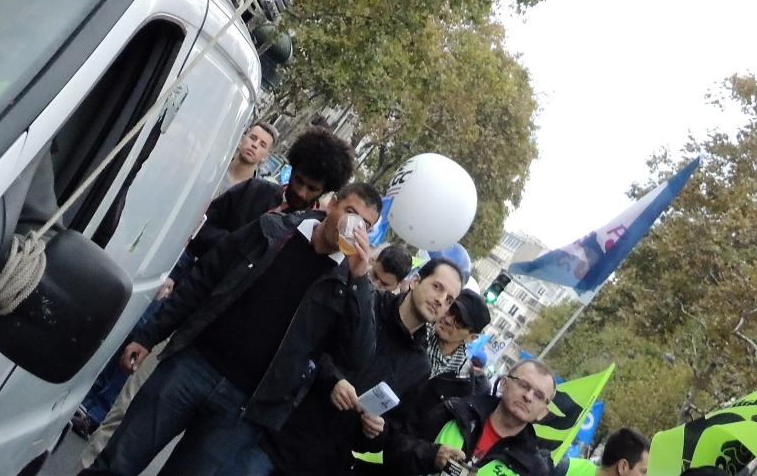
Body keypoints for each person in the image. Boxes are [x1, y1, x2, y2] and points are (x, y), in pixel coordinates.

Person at [87, 190, 379, 476]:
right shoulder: (275, 230)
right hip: (194, 365)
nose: (354, 227)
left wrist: (359, 280)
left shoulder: (348, 285)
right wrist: (149, 335)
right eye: (351, 213)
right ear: (333, 204)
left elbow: (357, 356)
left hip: (244, 408)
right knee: (118, 462)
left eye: (365, 225)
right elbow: (205, 277)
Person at [72, 118, 284, 438]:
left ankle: (97, 409)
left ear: (267, 156)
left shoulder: (259, 196)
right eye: (252, 137)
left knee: (146, 333)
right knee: (126, 319)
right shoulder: (212, 171)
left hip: (198, 270)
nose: (254, 145)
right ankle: (83, 394)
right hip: (167, 249)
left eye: (262, 144)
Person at [268, 256, 464, 476]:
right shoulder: (367, 303)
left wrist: (376, 430)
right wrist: (333, 380)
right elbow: (309, 344)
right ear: (415, 281)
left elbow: (394, 431)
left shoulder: (420, 366)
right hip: (277, 436)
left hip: (322, 463)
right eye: (437, 287)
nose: (440, 300)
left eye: (449, 300)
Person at [189, 125, 355, 253]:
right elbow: (202, 227)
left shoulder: (312, 232)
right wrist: (234, 246)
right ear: (292, 170)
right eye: (299, 181)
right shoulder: (253, 190)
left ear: (324, 191)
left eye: (312, 189)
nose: (301, 192)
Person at [385, 356, 557, 475]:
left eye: (539, 396)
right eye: (524, 385)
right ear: (503, 384)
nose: (528, 396)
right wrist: (431, 455)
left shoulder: (534, 469)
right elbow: (394, 448)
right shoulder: (455, 411)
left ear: (543, 412)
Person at [425, 288, 489, 391]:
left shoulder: (462, 375)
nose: (448, 320)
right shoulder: (418, 329)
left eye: (459, 322)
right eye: (450, 311)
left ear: (471, 337)